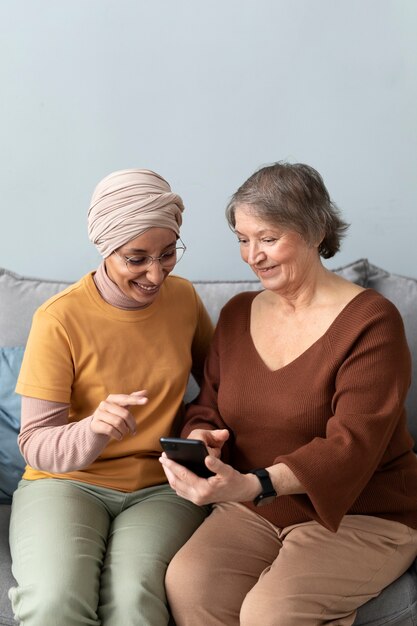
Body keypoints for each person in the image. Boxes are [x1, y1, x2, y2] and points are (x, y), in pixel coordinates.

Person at [160, 162, 417, 626]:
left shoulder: (372, 321)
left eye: (268, 238)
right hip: (257, 510)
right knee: (189, 583)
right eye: (243, 239)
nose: (252, 255)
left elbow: (353, 445)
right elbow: (208, 405)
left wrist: (254, 483)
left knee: (270, 614)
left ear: (316, 230)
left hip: (363, 513)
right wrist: (200, 439)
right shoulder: (238, 314)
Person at [9, 168, 213, 626]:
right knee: (54, 601)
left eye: (167, 254)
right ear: (106, 248)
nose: (156, 274)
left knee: (134, 601)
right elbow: (34, 441)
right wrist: (92, 428)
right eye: (136, 259)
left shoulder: (184, 301)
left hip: (160, 488)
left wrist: (201, 429)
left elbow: (219, 387)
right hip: (63, 484)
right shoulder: (59, 319)